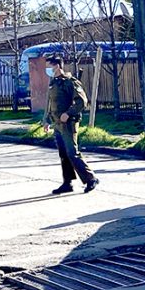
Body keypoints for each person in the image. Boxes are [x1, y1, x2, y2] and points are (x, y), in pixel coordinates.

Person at [43, 55, 99, 194]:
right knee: (64, 154)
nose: (47, 70)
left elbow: (82, 101)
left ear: (57, 66)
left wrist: (68, 113)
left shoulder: (70, 82)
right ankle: (67, 183)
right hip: (57, 124)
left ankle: (91, 178)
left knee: (72, 153)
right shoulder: (54, 83)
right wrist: (46, 120)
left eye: (49, 66)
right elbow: (49, 104)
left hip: (68, 123)